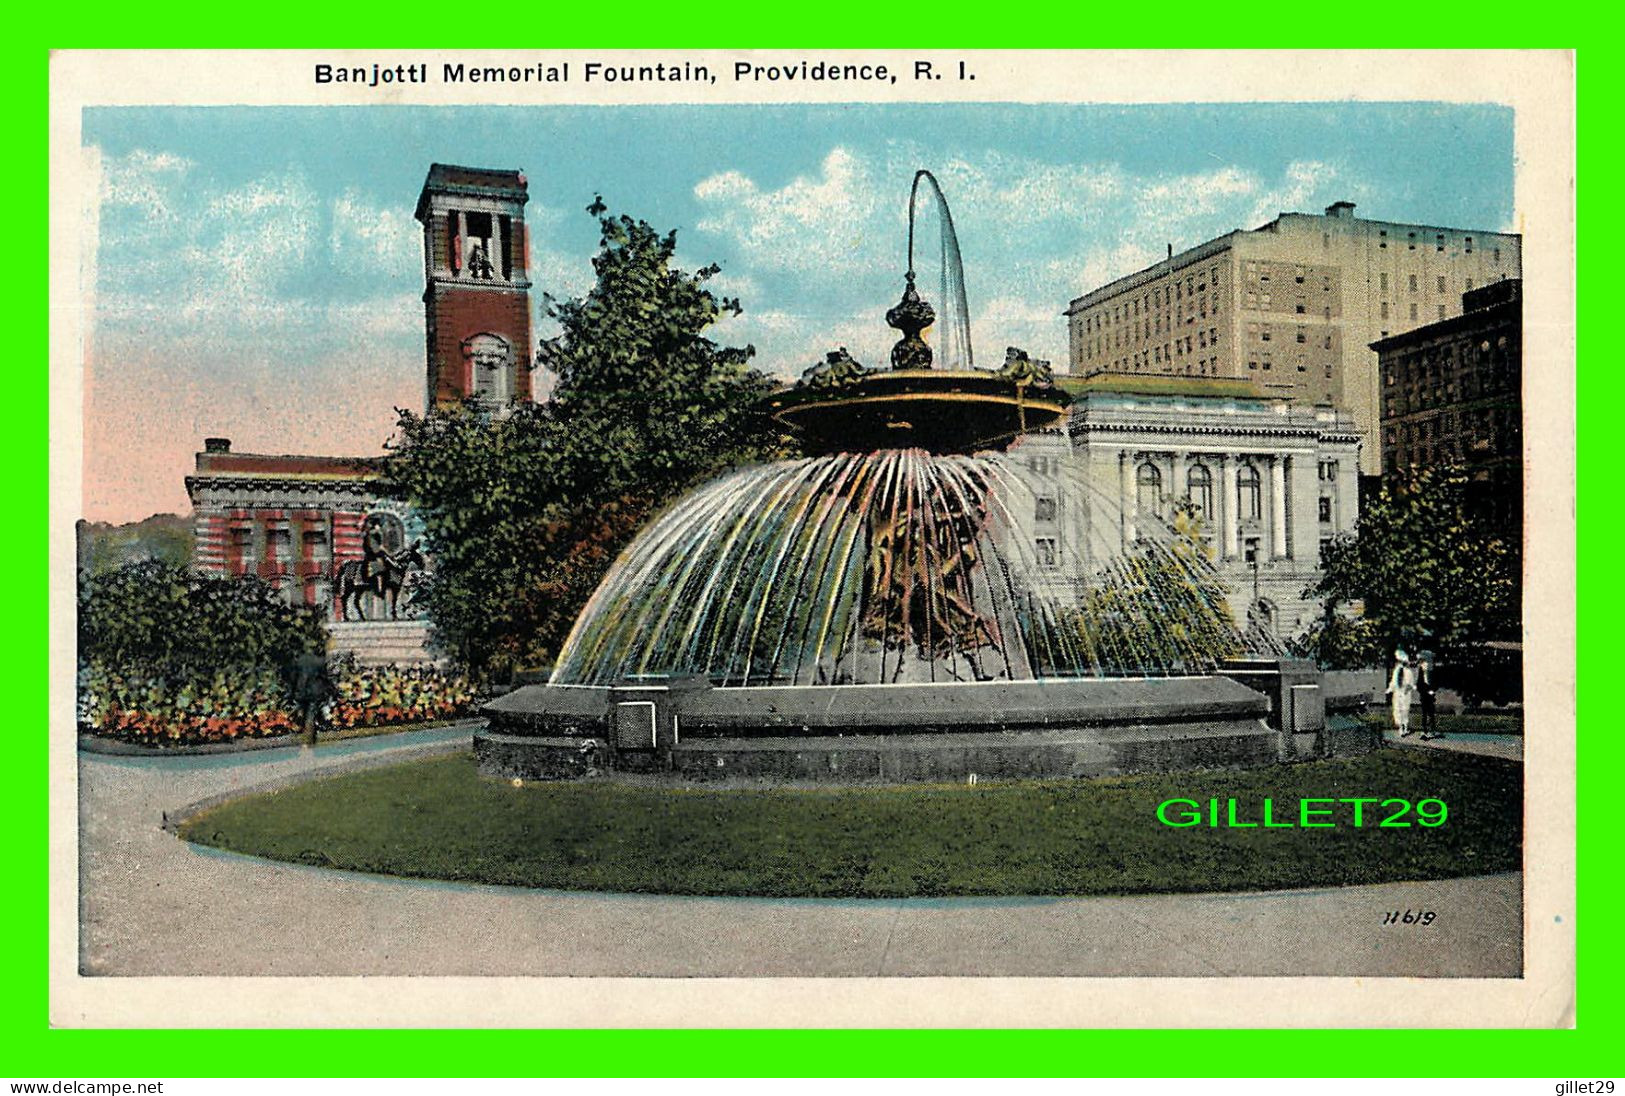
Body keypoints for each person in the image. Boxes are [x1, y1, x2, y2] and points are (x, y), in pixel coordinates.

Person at [293, 650, 333, 746]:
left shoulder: (298, 661)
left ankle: (307, 733)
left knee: (305, 712)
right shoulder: (319, 661)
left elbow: (294, 677)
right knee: (311, 713)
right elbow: (325, 677)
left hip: (301, 690)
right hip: (315, 691)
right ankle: (309, 739)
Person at [1386, 648, 1418, 738]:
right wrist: (1390, 688)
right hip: (1397, 693)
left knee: (1404, 710)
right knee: (1397, 709)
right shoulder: (1396, 671)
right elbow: (1393, 681)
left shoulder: (1408, 672)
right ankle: (1400, 726)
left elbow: (1410, 683)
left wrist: (1408, 688)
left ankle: (1404, 727)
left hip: (1405, 693)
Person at [1416, 652, 1441, 740]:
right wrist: (1424, 691)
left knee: (1431, 713)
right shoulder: (1421, 671)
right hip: (1424, 694)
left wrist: (1432, 690)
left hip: (1430, 695)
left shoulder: (1432, 671)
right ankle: (1424, 730)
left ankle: (1432, 730)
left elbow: (1436, 682)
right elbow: (1419, 684)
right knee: (1425, 713)